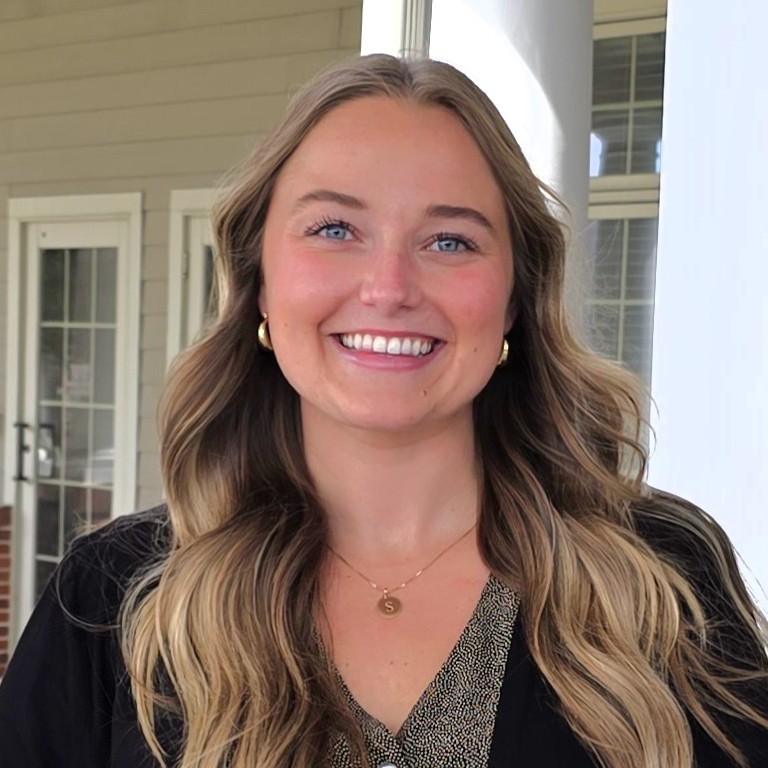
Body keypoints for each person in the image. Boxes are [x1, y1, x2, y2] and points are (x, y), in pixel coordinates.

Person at [0, 53, 766, 768]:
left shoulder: (664, 580)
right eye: (335, 229)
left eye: (450, 240)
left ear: (513, 301)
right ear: (258, 281)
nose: (390, 286)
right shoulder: (110, 602)